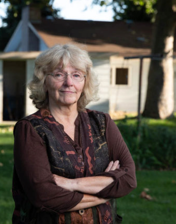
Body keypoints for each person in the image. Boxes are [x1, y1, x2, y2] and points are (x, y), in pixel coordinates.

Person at [12, 44, 137, 224]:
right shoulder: (31, 129)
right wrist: (105, 191)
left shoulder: (102, 123)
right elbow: (44, 196)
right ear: (44, 81)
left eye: (76, 75)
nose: (69, 82)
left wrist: (71, 184)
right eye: (59, 74)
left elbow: (129, 180)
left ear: (84, 82)